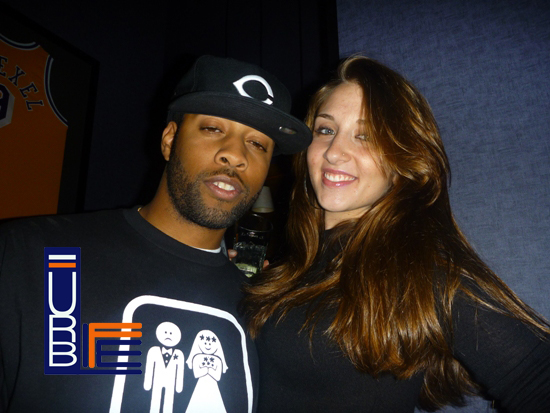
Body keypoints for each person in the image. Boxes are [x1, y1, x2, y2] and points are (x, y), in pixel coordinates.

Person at [0, 55, 311, 413]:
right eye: (213, 128)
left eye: (258, 144)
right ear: (169, 140)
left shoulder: (263, 310)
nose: (235, 155)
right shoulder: (35, 254)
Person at [245, 56, 550, 412]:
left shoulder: (421, 273)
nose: (335, 152)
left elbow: (537, 379)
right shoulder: (291, 267)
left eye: (366, 136)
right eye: (326, 130)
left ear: (402, 160)